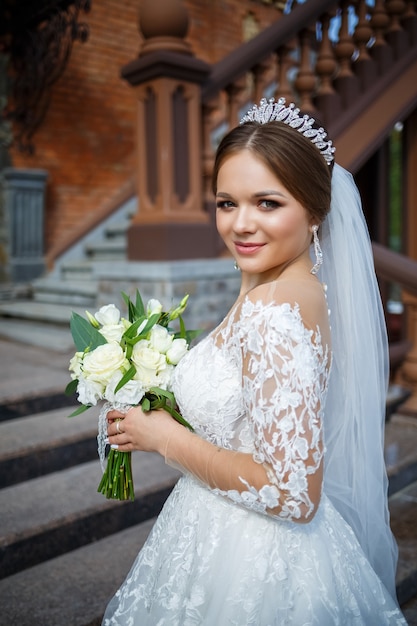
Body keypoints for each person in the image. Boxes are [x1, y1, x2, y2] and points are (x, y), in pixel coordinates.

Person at [102, 98, 407, 625]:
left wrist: (165, 438)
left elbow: (292, 493)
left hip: (255, 560)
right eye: (226, 203)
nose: (241, 224)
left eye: (267, 203)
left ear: (314, 211)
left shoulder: (272, 311)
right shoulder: (288, 289)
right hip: (225, 529)